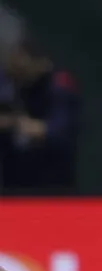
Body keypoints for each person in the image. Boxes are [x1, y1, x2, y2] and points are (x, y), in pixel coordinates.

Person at [0, 35, 80, 193]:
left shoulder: (58, 84)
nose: (13, 64)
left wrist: (20, 125)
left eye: (19, 58)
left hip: (50, 184)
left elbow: (59, 130)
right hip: (12, 183)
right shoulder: (11, 82)